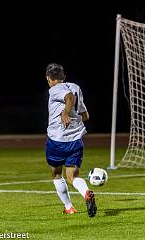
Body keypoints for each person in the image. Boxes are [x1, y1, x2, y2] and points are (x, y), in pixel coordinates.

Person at [45, 63, 97, 217]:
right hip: (75, 140)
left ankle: (69, 207)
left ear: (48, 78)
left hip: (57, 140)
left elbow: (69, 98)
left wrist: (66, 113)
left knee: (56, 174)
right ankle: (86, 193)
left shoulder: (54, 90)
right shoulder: (75, 86)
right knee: (73, 176)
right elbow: (85, 115)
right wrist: (75, 117)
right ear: (64, 76)